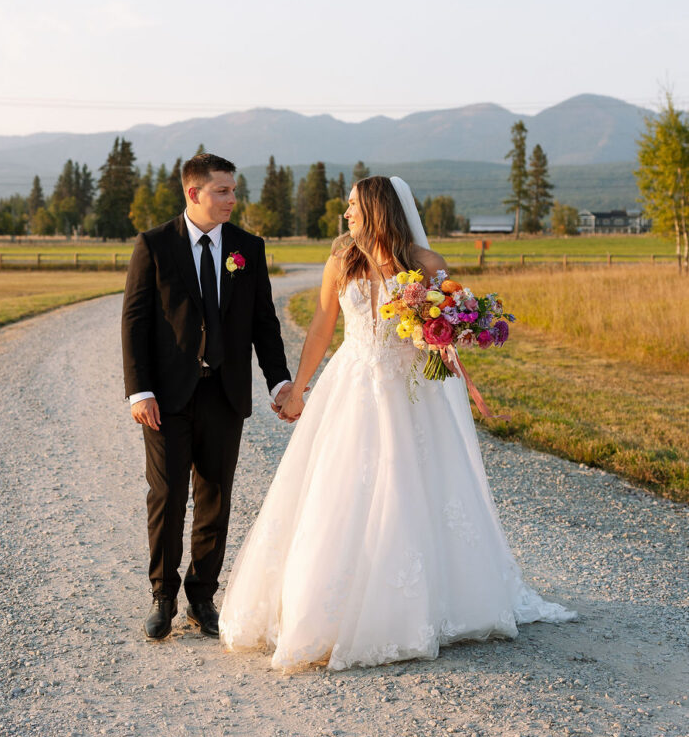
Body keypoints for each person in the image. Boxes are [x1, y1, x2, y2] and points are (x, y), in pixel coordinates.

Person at [219, 175, 576, 671]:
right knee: (339, 489)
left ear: (375, 208)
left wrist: (450, 328)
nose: (345, 214)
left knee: (413, 485)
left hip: (410, 390)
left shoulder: (427, 264)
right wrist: (299, 387)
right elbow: (323, 325)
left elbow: (438, 328)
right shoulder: (341, 260)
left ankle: (421, 606)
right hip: (354, 382)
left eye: (351, 206)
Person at [122, 152, 292, 642]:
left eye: (234, 191)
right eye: (222, 191)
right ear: (193, 193)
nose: (232, 200)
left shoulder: (247, 249)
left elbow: (264, 323)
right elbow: (134, 323)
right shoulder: (154, 245)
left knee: (215, 497)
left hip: (225, 395)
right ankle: (163, 597)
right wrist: (139, 390)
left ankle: (202, 597)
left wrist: (279, 382)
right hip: (166, 399)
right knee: (168, 496)